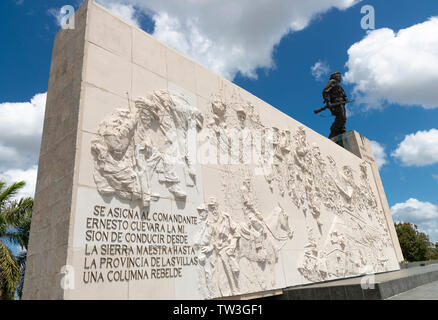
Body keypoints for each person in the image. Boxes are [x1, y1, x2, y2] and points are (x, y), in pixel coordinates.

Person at [322, 72, 348, 139]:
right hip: (335, 103)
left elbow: (343, 94)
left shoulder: (339, 85)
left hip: (341, 103)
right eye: (338, 76)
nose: (340, 78)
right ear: (335, 76)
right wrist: (328, 102)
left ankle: (341, 129)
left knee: (343, 117)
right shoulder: (332, 82)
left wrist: (345, 98)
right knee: (341, 116)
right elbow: (325, 91)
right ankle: (334, 131)